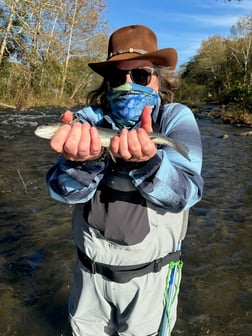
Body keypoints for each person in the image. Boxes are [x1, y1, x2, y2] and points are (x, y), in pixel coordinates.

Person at [46, 25, 203, 336]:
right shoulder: (87, 121)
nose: (128, 84)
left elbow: (187, 193)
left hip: (151, 281)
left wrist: (148, 164)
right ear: (108, 84)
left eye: (141, 76)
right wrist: (80, 164)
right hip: (89, 278)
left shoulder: (176, 119)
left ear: (158, 80)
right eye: (118, 78)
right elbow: (62, 192)